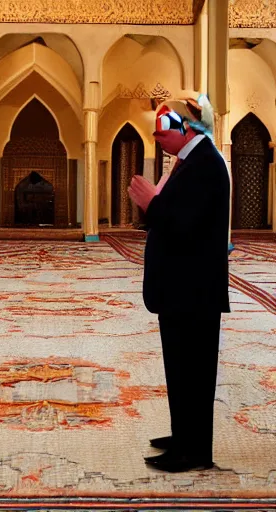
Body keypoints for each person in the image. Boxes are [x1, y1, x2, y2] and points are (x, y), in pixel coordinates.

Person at [128, 95, 231, 473]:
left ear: (187, 127)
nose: (157, 136)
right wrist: (152, 203)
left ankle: (193, 451)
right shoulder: (190, 162)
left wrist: (151, 203)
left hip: (192, 290)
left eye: (163, 128)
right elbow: (176, 215)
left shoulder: (204, 164)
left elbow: (184, 224)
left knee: (193, 371)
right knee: (182, 368)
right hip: (182, 287)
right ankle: (183, 435)